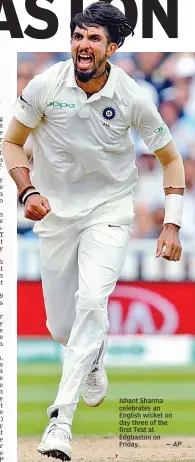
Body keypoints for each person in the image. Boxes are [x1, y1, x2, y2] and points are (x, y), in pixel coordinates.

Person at [3, 2, 185, 460]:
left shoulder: (134, 96)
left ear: (113, 47)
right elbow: (11, 142)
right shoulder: (46, 85)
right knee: (62, 325)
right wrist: (27, 192)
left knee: (91, 303)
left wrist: (172, 222)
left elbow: (171, 159)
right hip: (55, 217)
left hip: (109, 212)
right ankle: (94, 356)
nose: (83, 45)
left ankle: (60, 422)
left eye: (94, 39)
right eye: (78, 36)